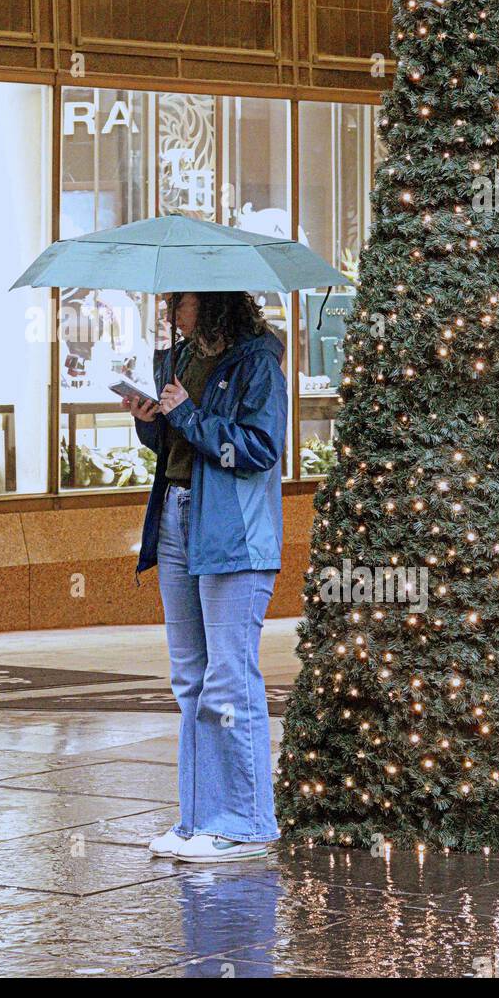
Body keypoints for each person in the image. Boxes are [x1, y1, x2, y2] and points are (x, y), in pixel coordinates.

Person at [122, 290, 287, 864]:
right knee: (190, 677)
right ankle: (197, 820)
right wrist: (152, 422)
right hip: (175, 517)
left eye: (182, 299)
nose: (172, 309)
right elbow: (178, 447)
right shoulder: (176, 357)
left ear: (213, 301)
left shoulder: (257, 360)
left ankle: (245, 823)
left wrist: (188, 413)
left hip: (233, 532)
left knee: (228, 678)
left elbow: (260, 449)